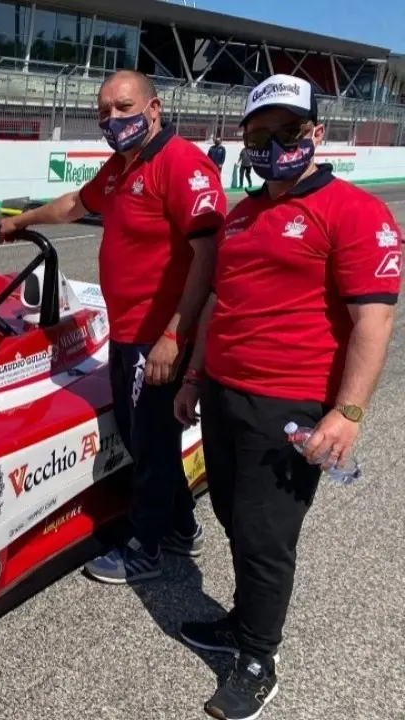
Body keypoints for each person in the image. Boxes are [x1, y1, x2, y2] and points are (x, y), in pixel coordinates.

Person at [172, 73, 401, 720]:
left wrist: (348, 412)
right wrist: (193, 377)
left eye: (288, 130)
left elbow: (374, 321)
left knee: (266, 536)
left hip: (291, 406)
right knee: (231, 518)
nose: (273, 143)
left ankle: (258, 657)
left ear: (316, 134)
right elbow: (220, 302)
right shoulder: (243, 215)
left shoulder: (355, 212)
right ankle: (245, 620)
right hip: (221, 391)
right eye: (259, 132)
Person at [0, 69, 225, 584]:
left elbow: (208, 255)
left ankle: (144, 548)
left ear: (153, 109)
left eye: (123, 108)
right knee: (142, 434)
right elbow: (77, 204)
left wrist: (174, 335)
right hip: (126, 332)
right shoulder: (121, 167)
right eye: (104, 112)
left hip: (157, 337)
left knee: (149, 442)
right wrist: (24, 220)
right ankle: (181, 527)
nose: (112, 120)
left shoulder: (181, 165)